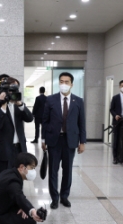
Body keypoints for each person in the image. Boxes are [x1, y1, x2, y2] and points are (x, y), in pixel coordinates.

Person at [42, 72, 86, 209]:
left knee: (67, 171)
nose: (64, 84)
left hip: (70, 141)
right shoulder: (50, 100)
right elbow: (45, 120)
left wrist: (82, 141)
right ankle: (54, 198)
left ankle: (64, 196)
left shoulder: (78, 101)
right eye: (61, 81)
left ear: (72, 84)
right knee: (53, 171)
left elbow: (81, 122)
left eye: (67, 82)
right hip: (54, 140)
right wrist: (43, 139)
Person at [0, 77, 33, 187]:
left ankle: (15, 200)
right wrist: (3, 106)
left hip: (19, 148)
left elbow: (30, 118)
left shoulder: (18, 104)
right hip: (2, 149)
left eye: (16, 88)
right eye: (11, 88)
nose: (13, 91)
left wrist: (20, 105)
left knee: (18, 177)